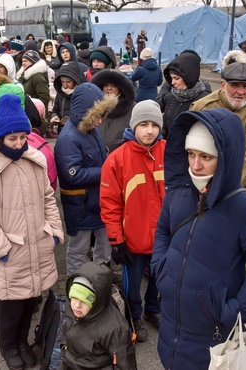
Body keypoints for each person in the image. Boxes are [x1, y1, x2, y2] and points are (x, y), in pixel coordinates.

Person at [150, 109, 246, 369]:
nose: (195, 165)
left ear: (226, 158)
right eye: (191, 154)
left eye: (206, 157)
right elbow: (162, 230)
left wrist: (232, 313)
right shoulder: (179, 193)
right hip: (172, 326)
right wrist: (160, 268)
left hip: (212, 335)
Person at [0, 94, 63, 370]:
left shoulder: (34, 160)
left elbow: (47, 198)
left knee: (31, 300)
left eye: (23, 137)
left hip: (37, 245)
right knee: (11, 305)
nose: (19, 144)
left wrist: (54, 231)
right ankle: (9, 345)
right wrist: (1, 248)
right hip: (9, 251)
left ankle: (21, 341)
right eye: (13, 139)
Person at [100, 100, 165, 343]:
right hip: (133, 240)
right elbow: (110, 205)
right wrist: (116, 241)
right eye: (144, 125)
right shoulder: (117, 160)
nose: (150, 131)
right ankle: (133, 315)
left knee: (160, 278)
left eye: (154, 125)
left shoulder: (169, 152)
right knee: (132, 283)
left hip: (163, 237)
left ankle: (153, 310)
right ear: (133, 126)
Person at [55, 83, 117, 276]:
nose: (100, 121)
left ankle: (100, 278)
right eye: (96, 116)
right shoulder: (68, 138)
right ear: (84, 113)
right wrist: (106, 171)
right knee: (78, 249)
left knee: (104, 243)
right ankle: (75, 283)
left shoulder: (90, 129)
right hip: (80, 205)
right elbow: (73, 174)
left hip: (97, 201)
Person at [191, 62, 246, 192]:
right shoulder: (203, 108)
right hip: (210, 189)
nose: (241, 91)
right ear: (223, 85)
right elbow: (190, 150)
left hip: (244, 187)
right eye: (234, 85)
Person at [61, 262, 137, 369]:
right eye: (74, 297)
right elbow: (65, 331)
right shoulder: (70, 307)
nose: (77, 305)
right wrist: (63, 347)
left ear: (97, 300)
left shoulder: (116, 328)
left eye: (84, 300)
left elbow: (125, 364)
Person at [156, 52, 211, 137]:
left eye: (176, 78)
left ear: (188, 77)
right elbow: (165, 126)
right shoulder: (170, 96)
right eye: (171, 78)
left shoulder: (204, 100)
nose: (172, 82)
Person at [91, 69, 136, 153]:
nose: (109, 89)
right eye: (106, 85)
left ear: (120, 88)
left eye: (113, 86)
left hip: (121, 157)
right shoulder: (93, 106)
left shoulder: (132, 108)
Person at [50, 61, 86, 135]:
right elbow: (55, 110)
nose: (65, 85)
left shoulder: (82, 94)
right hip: (62, 131)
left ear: (75, 80)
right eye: (63, 82)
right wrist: (55, 116)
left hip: (77, 132)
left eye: (68, 82)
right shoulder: (60, 93)